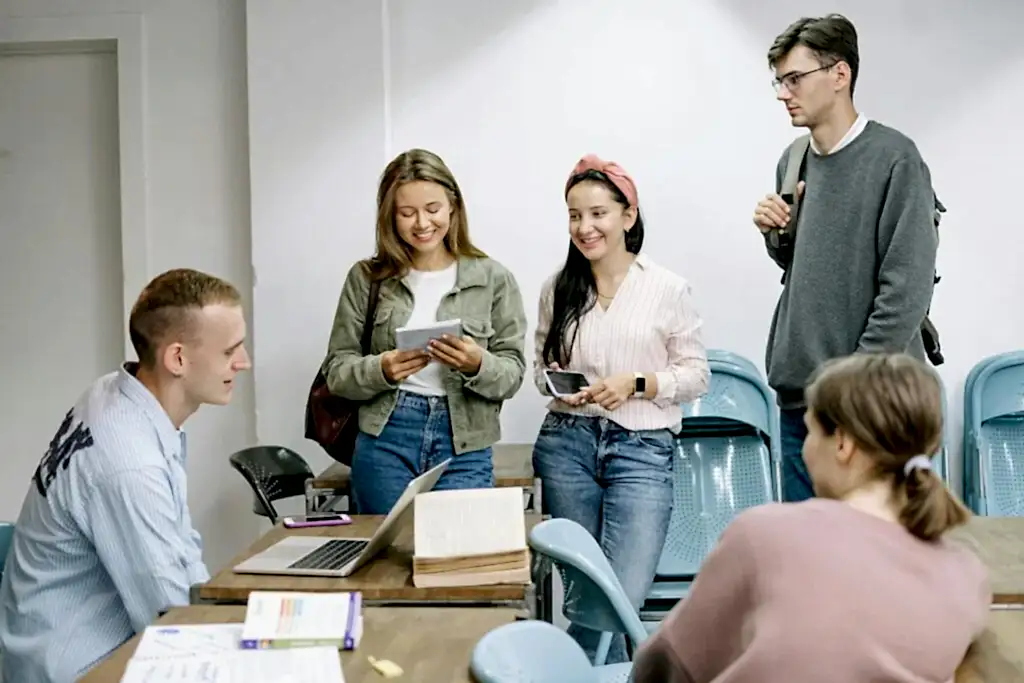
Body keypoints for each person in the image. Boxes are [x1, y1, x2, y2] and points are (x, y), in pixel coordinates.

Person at [631, 353, 990, 683]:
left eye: (811, 431)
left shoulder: (766, 535)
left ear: (843, 443)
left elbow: (667, 665)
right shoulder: (967, 576)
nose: (804, 448)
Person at [0, 268, 252, 683]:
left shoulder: (116, 393)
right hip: (77, 668)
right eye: (230, 351)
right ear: (177, 359)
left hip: (68, 645)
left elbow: (179, 552)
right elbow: (170, 618)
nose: (243, 363)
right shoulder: (129, 463)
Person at [752, 14, 940, 502]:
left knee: (878, 562)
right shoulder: (792, 159)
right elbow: (804, 267)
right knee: (807, 564)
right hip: (801, 403)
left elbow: (906, 291)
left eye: (795, 78)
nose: (783, 92)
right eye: (780, 80)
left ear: (840, 75)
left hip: (870, 407)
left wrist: (851, 389)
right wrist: (778, 234)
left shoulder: (895, 159)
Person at [532, 154, 709, 664]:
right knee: (585, 592)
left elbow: (696, 375)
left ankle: (569, 673)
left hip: (643, 449)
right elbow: (539, 367)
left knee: (621, 594)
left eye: (597, 214)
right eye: (573, 215)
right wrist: (562, 386)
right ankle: (601, 675)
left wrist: (637, 382)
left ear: (628, 215)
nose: (584, 227)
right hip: (567, 445)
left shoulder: (667, 288)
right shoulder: (558, 288)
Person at [323, 148, 527, 514]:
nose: (421, 223)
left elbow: (512, 375)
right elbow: (337, 371)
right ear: (390, 216)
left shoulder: (493, 279)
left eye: (432, 209)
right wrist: (381, 369)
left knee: (458, 560)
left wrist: (477, 363)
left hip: (465, 441)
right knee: (384, 563)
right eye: (407, 213)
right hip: (386, 437)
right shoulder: (367, 279)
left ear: (453, 206)